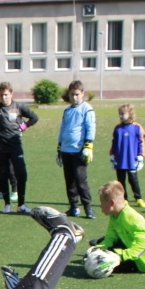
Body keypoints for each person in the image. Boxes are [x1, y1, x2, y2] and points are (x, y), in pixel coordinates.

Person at [0, 82, 39, 215]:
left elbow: (34, 118)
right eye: (1, 95)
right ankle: (7, 204)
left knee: (22, 175)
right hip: (0, 148)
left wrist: (24, 126)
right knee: (3, 176)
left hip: (15, 147)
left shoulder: (18, 106)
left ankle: (21, 205)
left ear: (11, 94)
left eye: (6, 94)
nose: (4, 97)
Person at [89, 182, 145, 275]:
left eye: (102, 203)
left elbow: (144, 244)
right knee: (101, 244)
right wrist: (97, 249)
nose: (101, 206)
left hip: (144, 262)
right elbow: (110, 236)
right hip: (130, 245)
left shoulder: (130, 218)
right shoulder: (115, 215)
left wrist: (120, 255)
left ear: (112, 203)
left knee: (101, 265)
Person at [57, 80, 96, 219]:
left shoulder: (87, 109)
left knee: (81, 180)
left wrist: (88, 145)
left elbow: (90, 127)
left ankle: (88, 208)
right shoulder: (67, 111)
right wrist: (59, 148)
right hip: (66, 150)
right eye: (72, 94)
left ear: (82, 93)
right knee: (69, 181)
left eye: (77, 94)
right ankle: (74, 207)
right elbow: (63, 128)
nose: (74, 97)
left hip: (79, 150)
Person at [109, 104, 145, 208]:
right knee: (121, 182)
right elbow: (114, 143)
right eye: (119, 114)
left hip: (131, 160)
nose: (120, 116)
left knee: (133, 180)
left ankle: (138, 198)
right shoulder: (117, 128)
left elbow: (141, 142)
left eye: (122, 113)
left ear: (130, 114)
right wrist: (112, 155)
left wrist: (141, 155)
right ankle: (124, 199)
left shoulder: (137, 127)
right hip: (120, 160)